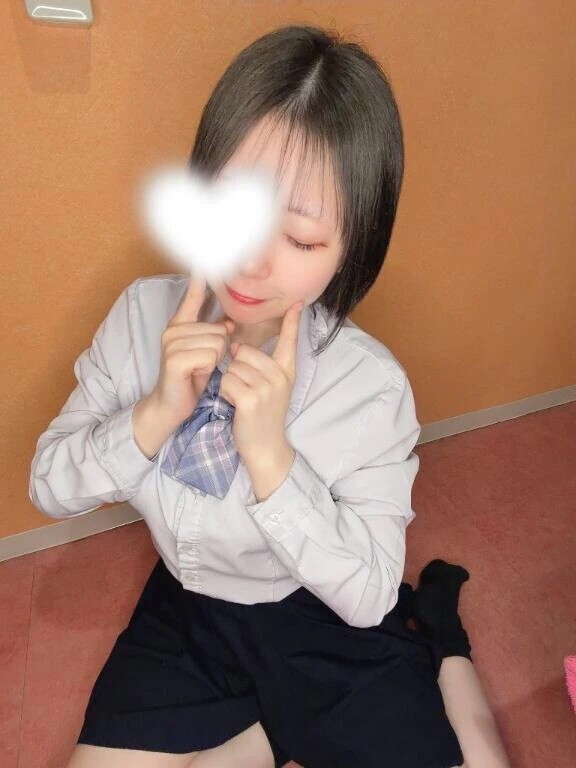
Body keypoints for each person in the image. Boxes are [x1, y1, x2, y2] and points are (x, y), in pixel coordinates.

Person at [29, 24, 511, 768]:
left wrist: (274, 463)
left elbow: (368, 593)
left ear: (352, 249)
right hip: (189, 606)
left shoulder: (370, 388)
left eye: (303, 240)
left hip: (316, 608)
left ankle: (442, 636)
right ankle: (276, 726)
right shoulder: (138, 317)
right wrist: (152, 416)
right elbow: (48, 488)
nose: (252, 261)